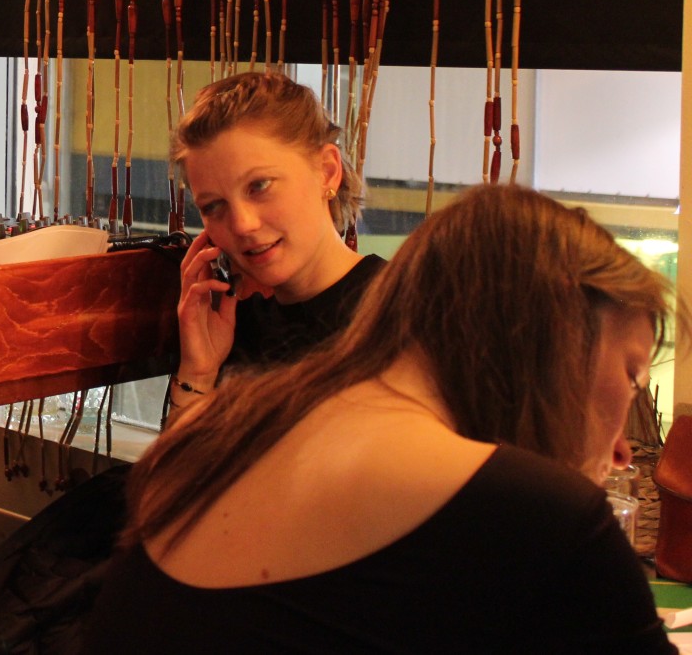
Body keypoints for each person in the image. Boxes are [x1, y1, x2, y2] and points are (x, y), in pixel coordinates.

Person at [87, 183, 675, 651]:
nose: (623, 450)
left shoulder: (229, 433)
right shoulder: (544, 514)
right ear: (558, 342)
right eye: (630, 377)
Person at [165, 70, 385, 420]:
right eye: (213, 206)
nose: (242, 224)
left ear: (327, 171)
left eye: (260, 186)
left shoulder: (399, 313)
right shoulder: (230, 330)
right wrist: (198, 373)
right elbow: (182, 460)